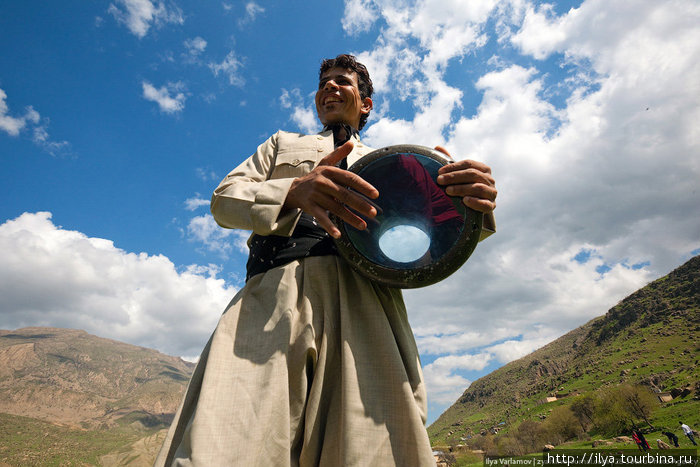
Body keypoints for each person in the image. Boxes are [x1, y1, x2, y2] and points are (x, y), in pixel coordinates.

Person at [154, 54, 497, 466]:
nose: (330, 88)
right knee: (226, 439)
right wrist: (293, 190)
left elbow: (441, 230)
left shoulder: (399, 161)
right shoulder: (282, 144)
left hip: (368, 300)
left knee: (372, 446)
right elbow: (223, 201)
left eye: (343, 82)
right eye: (324, 84)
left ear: (366, 103)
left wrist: (468, 199)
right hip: (273, 293)